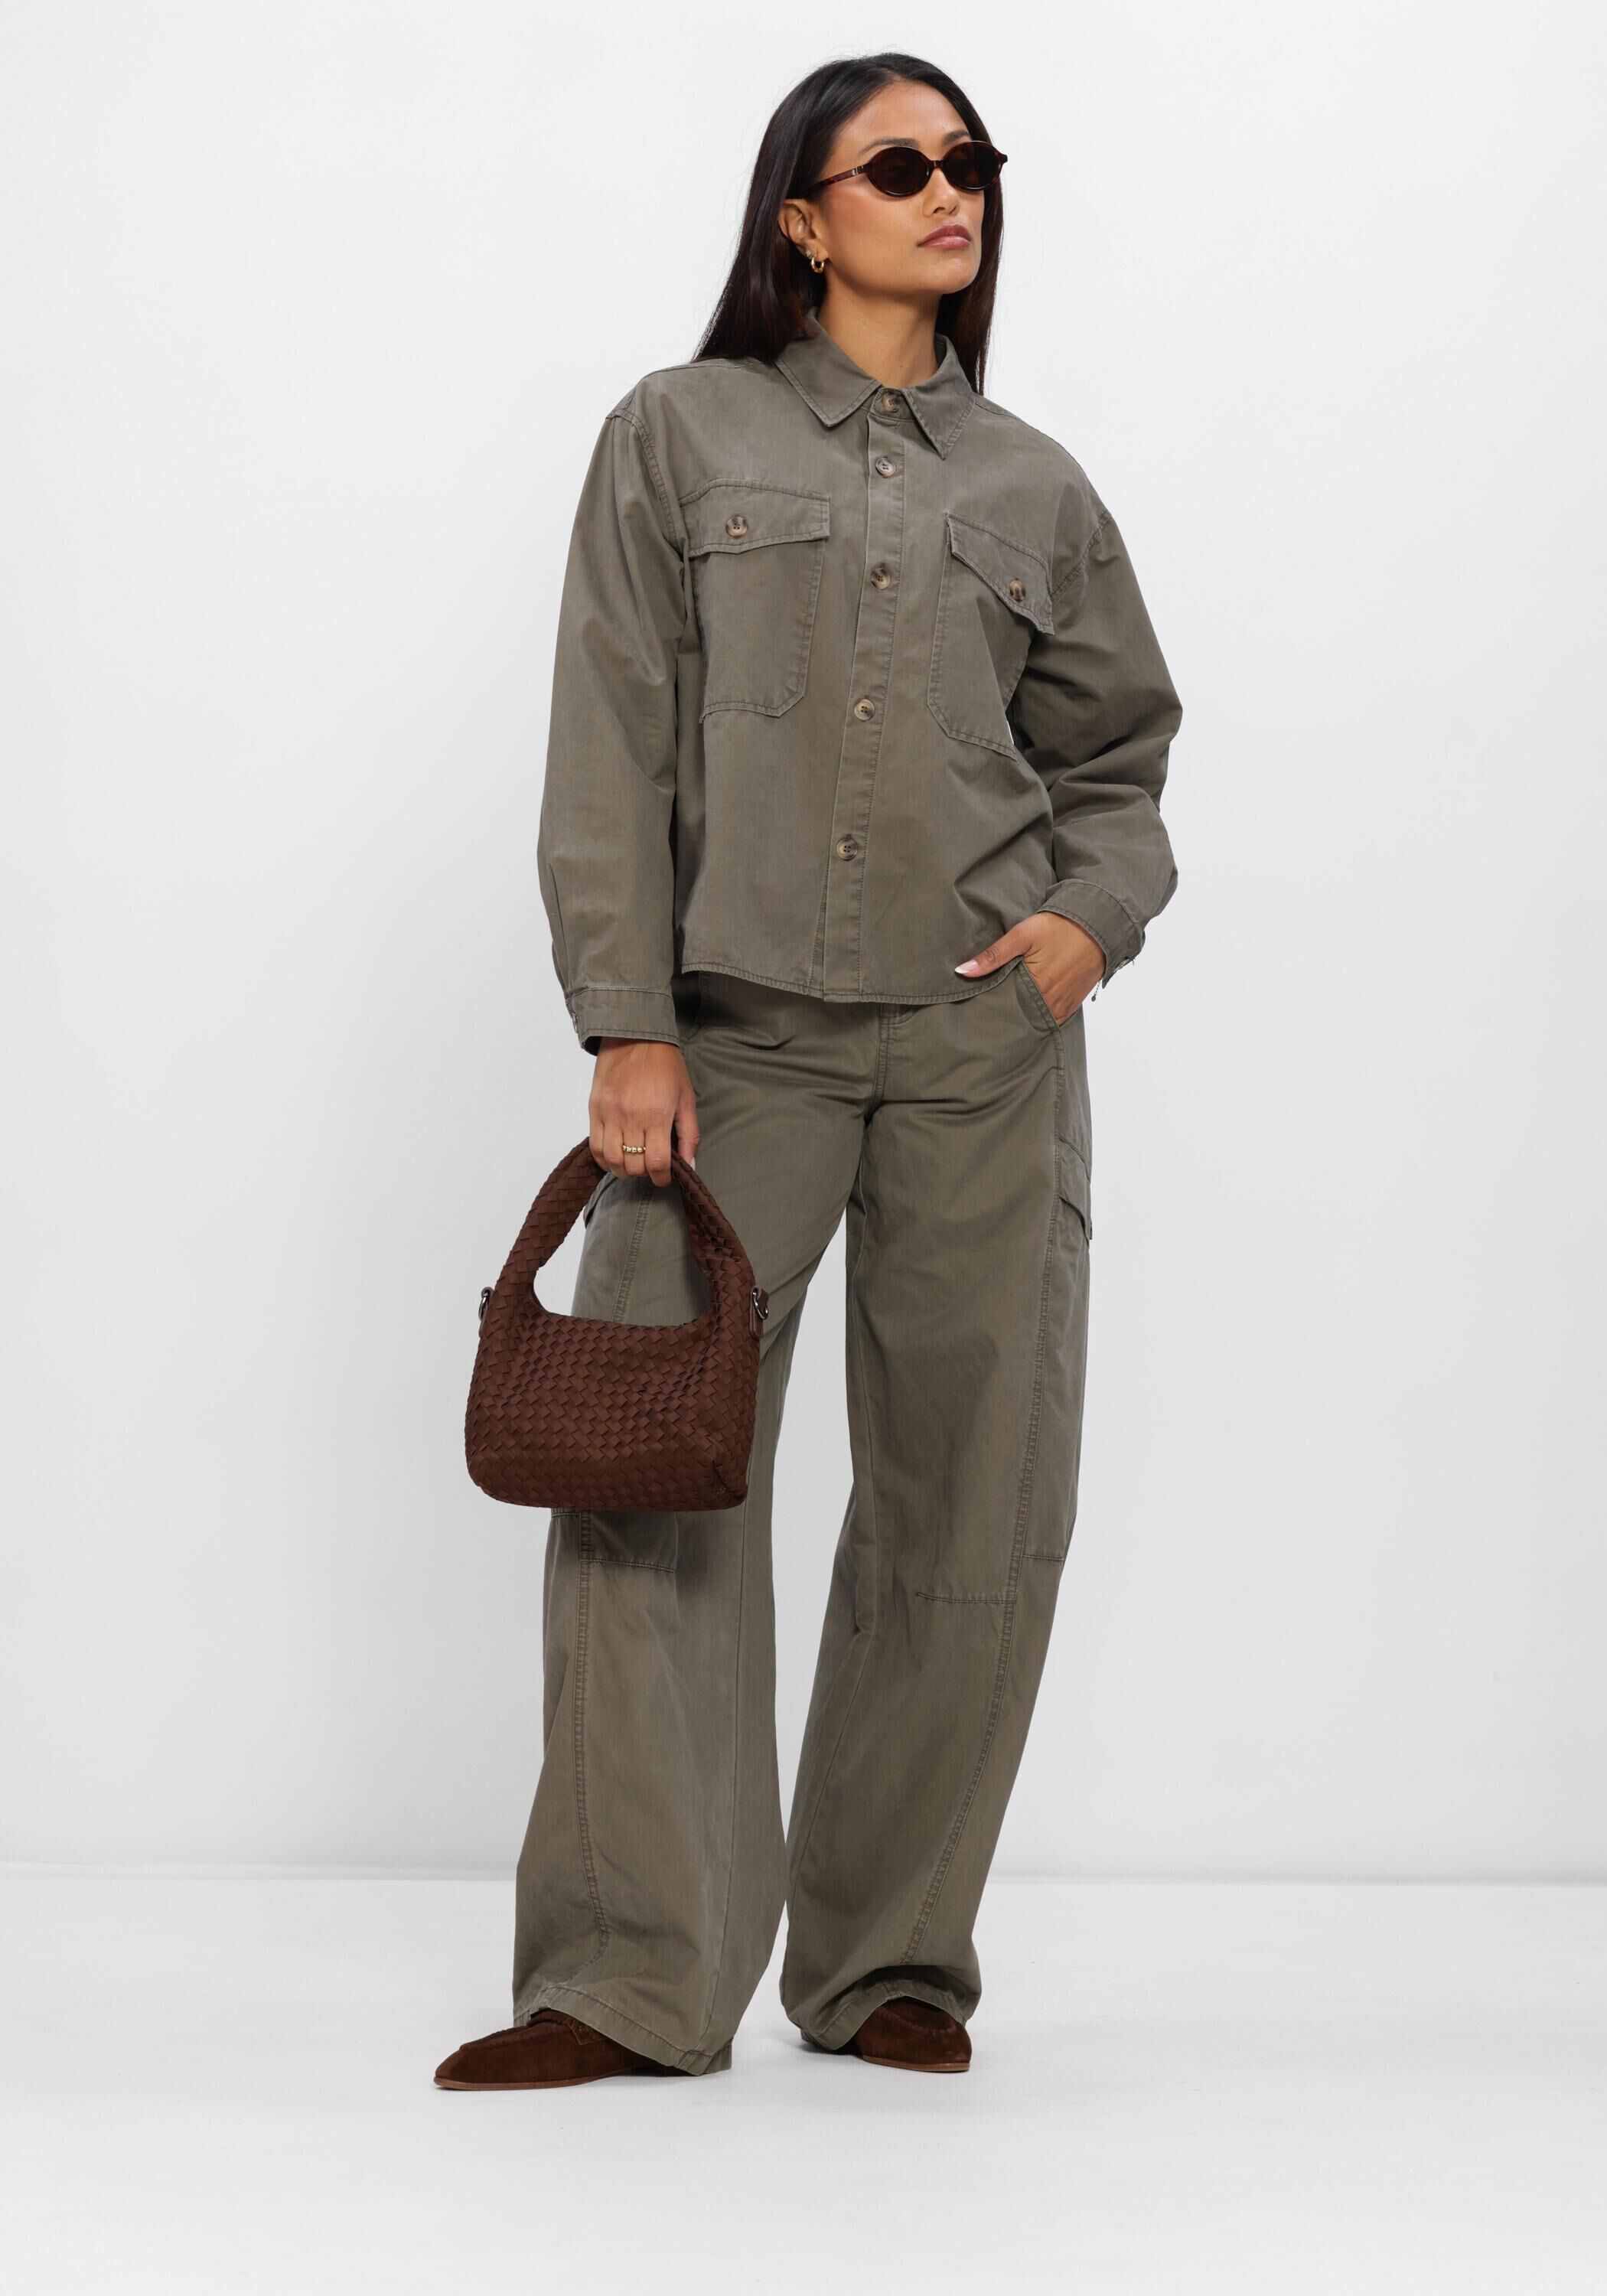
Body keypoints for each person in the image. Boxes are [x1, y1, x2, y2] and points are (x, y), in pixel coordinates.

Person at [435, 49, 1182, 2092]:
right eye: (902, 164)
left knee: (970, 1493)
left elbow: (1120, 762)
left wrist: (1084, 926)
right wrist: (628, 1020)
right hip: (730, 1051)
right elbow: (609, 734)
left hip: (979, 1053)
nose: (952, 194)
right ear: (800, 214)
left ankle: (887, 1961)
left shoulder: (1034, 486)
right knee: (650, 1482)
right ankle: (625, 1977)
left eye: (972, 165)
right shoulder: (676, 436)